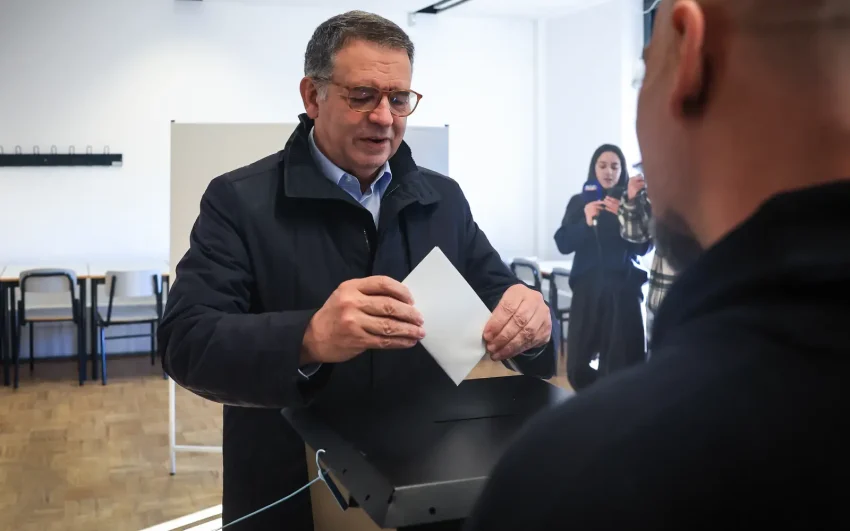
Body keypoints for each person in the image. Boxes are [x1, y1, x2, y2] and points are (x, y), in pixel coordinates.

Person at [158, 11, 555, 531]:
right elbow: (186, 342)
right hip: (290, 491)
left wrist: (532, 323)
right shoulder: (239, 202)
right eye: (363, 96)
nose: (385, 117)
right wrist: (309, 337)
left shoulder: (443, 200)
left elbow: (504, 300)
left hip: (424, 489)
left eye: (399, 99)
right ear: (312, 96)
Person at [464, 0, 850, 528]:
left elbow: (636, 243)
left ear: (689, 53)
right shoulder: (581, 202)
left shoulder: (574, 478)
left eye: (645, 68)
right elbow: (567, 239)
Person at [553, 144, 650, 391]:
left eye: (615, 167)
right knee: (577, 365)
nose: (609, 172)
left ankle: (616, 409)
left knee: (622, 366)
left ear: (622, 170)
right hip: (587, 291)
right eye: (603, 166)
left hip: (624, 291)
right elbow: (563, 243)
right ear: (593, 168)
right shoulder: (579, 202)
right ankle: (590, 405)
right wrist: (586, 222)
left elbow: (644, 247)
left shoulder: (632, 201)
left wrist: (626, 215)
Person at [617, 172, 677, 346]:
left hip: (702, 296)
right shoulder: (659, 188)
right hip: (662, 297)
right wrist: (632, 199)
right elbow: (635, 235)